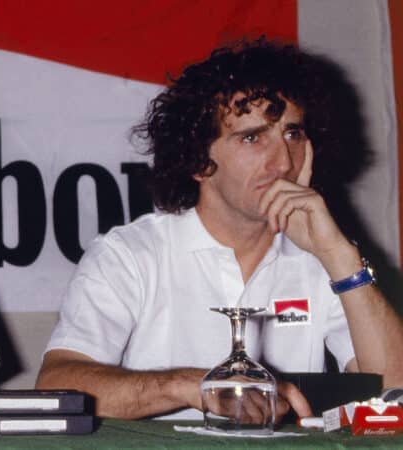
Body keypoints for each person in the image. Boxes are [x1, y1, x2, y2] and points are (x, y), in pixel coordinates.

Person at [36, 38, 403, 421]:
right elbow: (55, 387)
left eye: (292, 134)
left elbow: (394, 394)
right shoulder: (130, 254)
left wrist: (339, 257)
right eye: (252, 137)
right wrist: (192, 387)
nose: (282, 162)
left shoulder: (324, 257)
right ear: (198, 161)